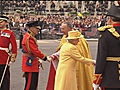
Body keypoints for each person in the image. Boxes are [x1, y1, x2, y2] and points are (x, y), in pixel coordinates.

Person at [46, 22, 94, 90]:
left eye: (63, 29)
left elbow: (80, 54)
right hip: (70, 67)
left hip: (78, 66)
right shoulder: (66, 38)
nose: (62, 31)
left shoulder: (79, 40)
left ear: (69, 28)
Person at [93, 5, 120, 90]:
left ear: (110, 19)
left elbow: (101, 57)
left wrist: (97, 79)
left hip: (110, 76)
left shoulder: (105, 33)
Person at [21, 21, 50, 90]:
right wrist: (45, 57)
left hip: (32, 61)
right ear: (31, 28)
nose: (38, 30)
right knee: (30, 85)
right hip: (30, 62)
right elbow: (35, 51)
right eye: (36, 28)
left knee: (33, 84)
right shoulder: (29, 38)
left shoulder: (30, 36)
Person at [0, 16, 17, 90]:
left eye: (2, 22)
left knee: (4, 76)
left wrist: (13, 55)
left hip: (4, 57)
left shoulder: (9, 33)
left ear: (6, 22)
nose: (0, 23)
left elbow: (14, 45)